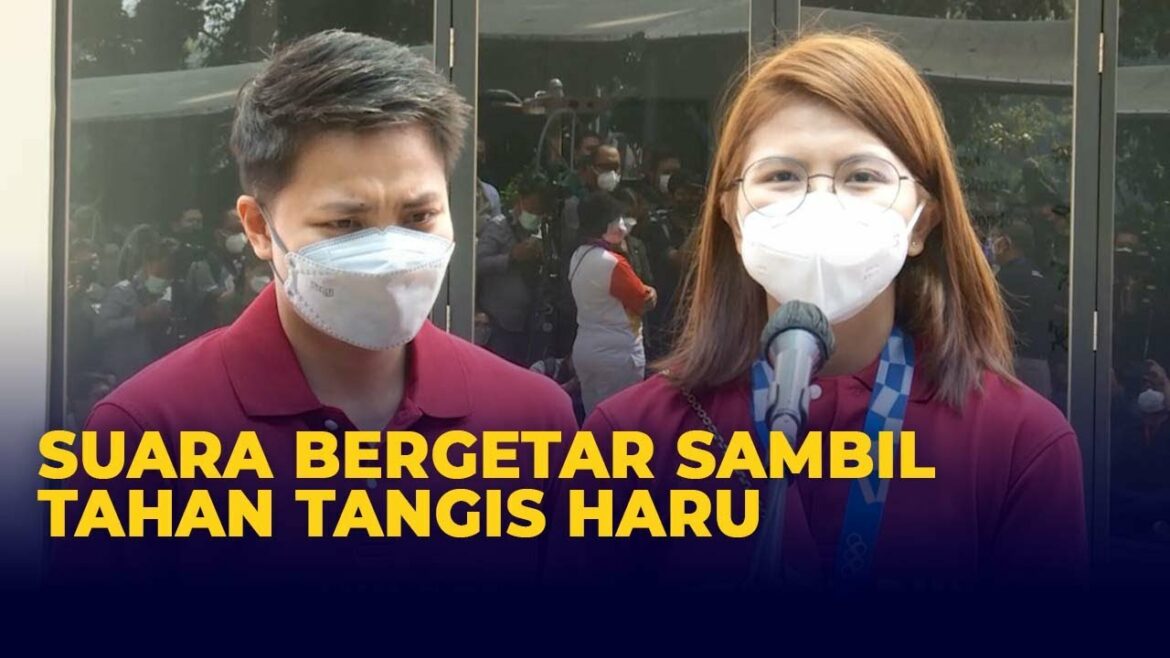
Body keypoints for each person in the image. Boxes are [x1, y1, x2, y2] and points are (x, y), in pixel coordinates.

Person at [560, 32, 1087, 589]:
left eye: (862, 176)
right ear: (732, 218)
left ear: (922, 222)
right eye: (781, 176)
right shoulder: (628, 439)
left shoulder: (1018, 444)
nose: (819, 203)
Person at [61, 30, 577, 590]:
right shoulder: (145, 436)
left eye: (419, 217)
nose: (390, 255)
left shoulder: (532, 422)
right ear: (259, 228)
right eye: (345, 223)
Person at [568, 192, 656, 415]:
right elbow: (643, 301)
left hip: (586, 348)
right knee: (622, 420)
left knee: (593, 418)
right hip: (617, 354)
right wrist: (652, 292)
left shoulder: (578, 255)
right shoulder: (614, 263)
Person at [476, 171, 548, 365]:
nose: (535, 215)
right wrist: (511, 257)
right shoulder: (498, 227)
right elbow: (478, 264)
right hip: (500, 325)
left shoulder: (544, 231)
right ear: (520, 201)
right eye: (532, 208)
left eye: (540, 211)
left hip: (531, 325)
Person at [94, 225, 177, 382]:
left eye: (168, 274)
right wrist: (137, 320)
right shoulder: (121, 292)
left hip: (153, 374)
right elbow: (100, 329)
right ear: (147, 265)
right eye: (160, 273)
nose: (164, 278)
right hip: (122, 376)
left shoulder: (167, 296)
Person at [990, 220, 1060, 399]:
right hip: (1038, 363)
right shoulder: (1039, 276)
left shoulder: (1003, 279)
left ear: (1006, 243)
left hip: (1009, 362)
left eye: (996, 238)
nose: (992, 244)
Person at [560, 143, 622, 254]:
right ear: (590, 168)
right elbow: (573, 246)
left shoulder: (622, 202)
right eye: (605, 167)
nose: (611, 173)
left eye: (615, 168)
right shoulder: (575, 204)